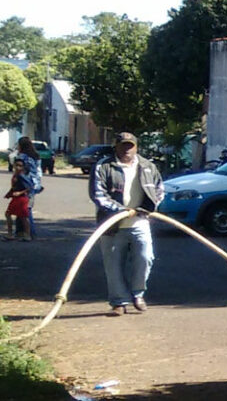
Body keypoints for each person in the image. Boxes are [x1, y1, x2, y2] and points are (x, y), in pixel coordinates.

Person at [89, 132, 164, 316]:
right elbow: (98, 194)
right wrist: (120, 210)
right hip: (112, 225)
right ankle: (118, 302)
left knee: (145, 257)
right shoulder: (104, 166)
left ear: (136, 147)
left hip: (140, 222)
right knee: (113, 265)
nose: (127, 149)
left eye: (130, 145)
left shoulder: (147, 166)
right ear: (116, 146)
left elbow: (160, 189)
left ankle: (138, 294)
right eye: (123, 145)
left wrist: (150, 207)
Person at [15, 137, 43, 239]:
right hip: (34, 184)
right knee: (24, 207)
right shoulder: (36, 157)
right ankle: (19, 232)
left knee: (25, 208)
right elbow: (39, 172)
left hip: (24, 184)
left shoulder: (22, 157)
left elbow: (19, 172)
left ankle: (30, 232)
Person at [3, 159, 32, 241]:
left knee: (23, 217)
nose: (18, 167)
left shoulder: (22, 176)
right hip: (15, 198)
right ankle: (10, 234)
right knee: (8, 214)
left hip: (22, 199)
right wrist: (9, 193)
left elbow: (29, 187)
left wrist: (20, 193)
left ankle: (27, 235)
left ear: (23, 167)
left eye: (20, 166)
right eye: (17, 165)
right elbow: (14, 187)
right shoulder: (15, 175)